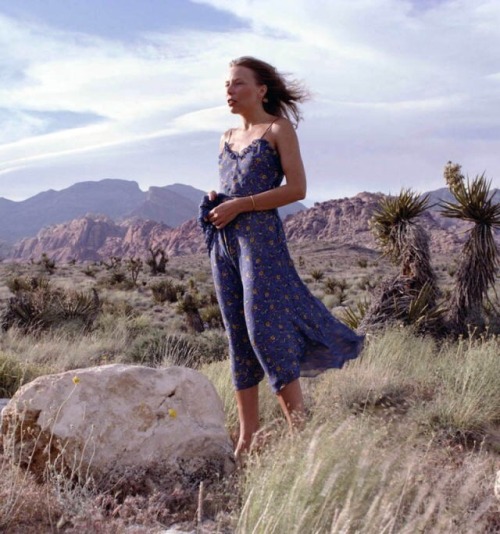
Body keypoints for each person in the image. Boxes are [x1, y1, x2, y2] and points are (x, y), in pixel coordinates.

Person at [199, 56, 364, 460]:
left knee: (263, 333)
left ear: (261, 90)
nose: (229, 90)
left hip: (261, 243)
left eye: (238, 83)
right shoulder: (224, 138)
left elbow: (298, 189)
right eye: (227, 84)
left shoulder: (278, 130)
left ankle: (299, 430)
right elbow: (232, 186)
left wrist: (241, 205)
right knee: (238, 335)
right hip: (225, 245)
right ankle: (247, 437)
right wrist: (218, 202)